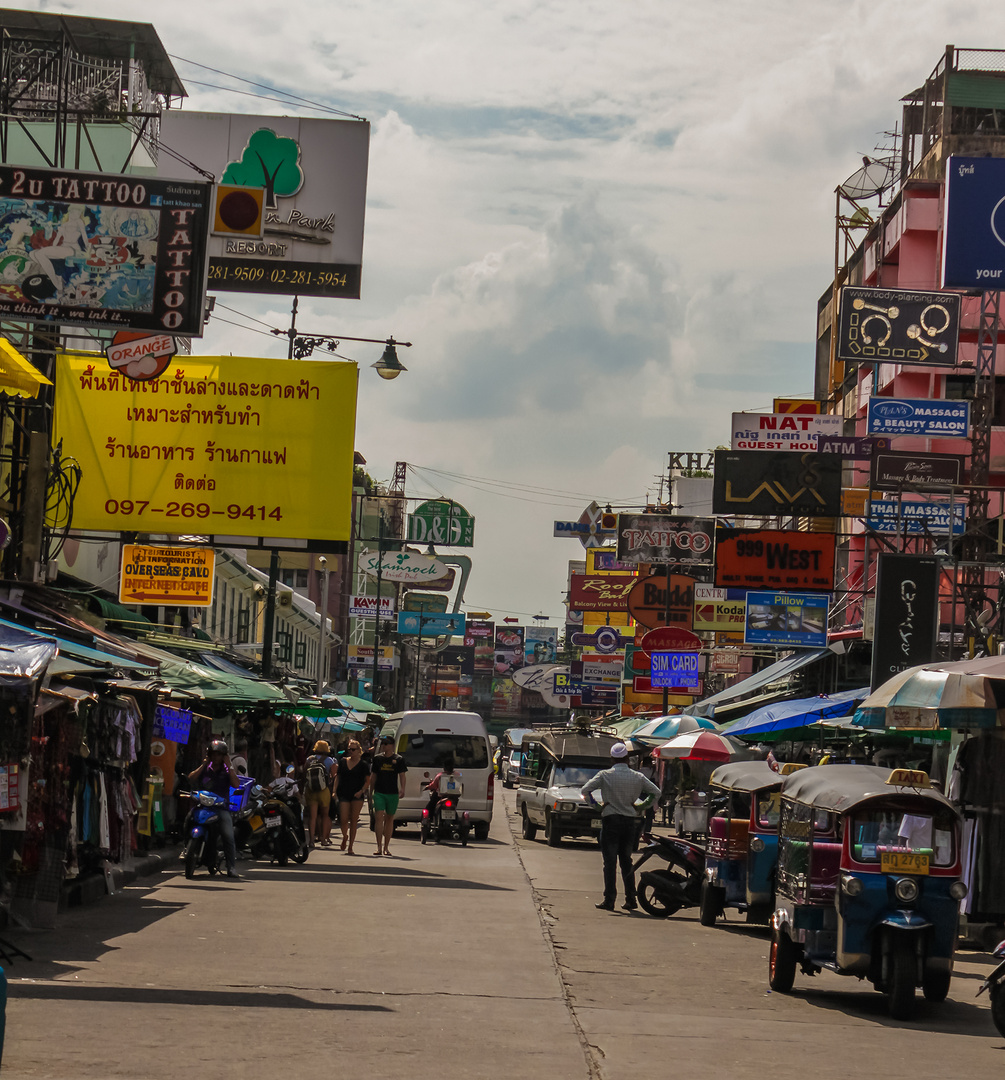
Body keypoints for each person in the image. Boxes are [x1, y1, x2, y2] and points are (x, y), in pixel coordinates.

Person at [581, 742, 660, 912]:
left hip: (610, 821)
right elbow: (656, 793)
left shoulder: (604, 775)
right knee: (626, 861)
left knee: (609, 863)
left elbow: (585, 790)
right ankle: (631, 899)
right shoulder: (637, 777)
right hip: (630, 823)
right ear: (627, 759)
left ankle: (609, 900)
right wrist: (640, 806)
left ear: (612, 759)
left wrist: (598, 806)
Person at [188, 739, 244, 880]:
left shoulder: (226, 771)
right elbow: (191, 778)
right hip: (203, 806)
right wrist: (204, 764)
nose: (216, 757)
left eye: (219, 755)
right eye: (213, 754)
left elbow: (236, 784)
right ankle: (185, 849)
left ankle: (231, 867)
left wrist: (230, 765)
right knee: (188, 819)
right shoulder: (205, 768)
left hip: (221, 808)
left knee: (228, 835)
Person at [367, 735, 407, 857]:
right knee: (379, 817)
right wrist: (371, 791)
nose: (383, 746)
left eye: (386, 743)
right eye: (382, 744)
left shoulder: (398, 759)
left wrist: (403, 789)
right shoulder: (378, 759)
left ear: (392, 745)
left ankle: (386, 847)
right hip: (379, 792)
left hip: (392, 793)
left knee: (389, 819)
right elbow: (373, 776)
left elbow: (402, 775)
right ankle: (379, 846)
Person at [335, 740, 369, 855]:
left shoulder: (363, 765)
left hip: (357, 795)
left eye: (353, 749)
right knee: (343, 819)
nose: (350, 751)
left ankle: (350, 846)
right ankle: (345, 836)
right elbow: (337, 777)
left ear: (359, 751)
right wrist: (334, 791)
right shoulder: (343, 762)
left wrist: (361, 791)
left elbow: (367, 781)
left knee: (354, 820)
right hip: (344, 793)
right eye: (349, 749)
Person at [303, 740, 336, 848]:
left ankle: (311, 840)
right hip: (324, 791)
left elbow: (304, 773)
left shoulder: (309, 759)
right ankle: (323, 839)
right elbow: (333, 775)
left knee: (312, 817)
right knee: (325, 815)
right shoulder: (329, 760)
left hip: (311, 790)